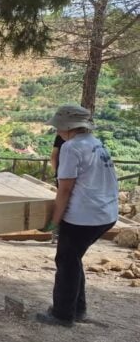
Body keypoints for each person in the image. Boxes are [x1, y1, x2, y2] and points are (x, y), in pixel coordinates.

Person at [35, 105, 118, 327]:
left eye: (58, 127)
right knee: (73, 258)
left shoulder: (71, 148)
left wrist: (55, 220)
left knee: (66, 260)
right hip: (105, 213)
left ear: (67, 127)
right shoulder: (95, 143)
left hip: (84, 216)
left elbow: (65, 189)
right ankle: (77, 308)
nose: (57, 131)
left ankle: (62, 314)